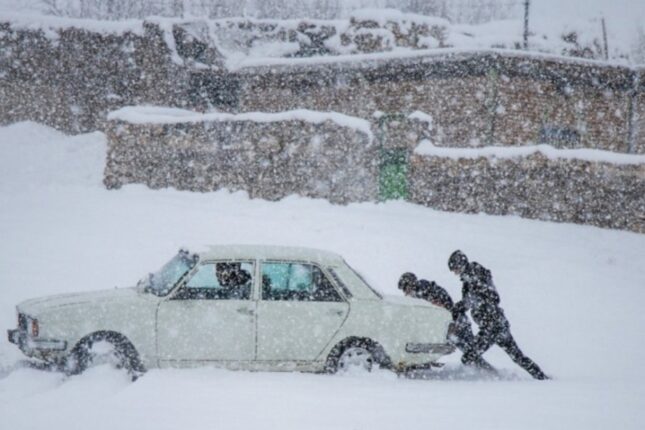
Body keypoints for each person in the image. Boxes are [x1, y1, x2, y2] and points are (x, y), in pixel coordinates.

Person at [448, 250, 549, 380]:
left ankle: (489, 378)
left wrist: (463, 305)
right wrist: (460, 308)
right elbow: (473, 300)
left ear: (460, 264)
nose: (454, 272)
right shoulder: (471, 278)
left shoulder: (474, 275)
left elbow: (492, 297)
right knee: (517, 357)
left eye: (454, 268)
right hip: (498, 324)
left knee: (469, 356)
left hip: (491, 326)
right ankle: (542, 378)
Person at [398, 273, 495, 373]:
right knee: (470, 353)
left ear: (410, 284)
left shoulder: (423, 292)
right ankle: (487, 371)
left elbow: (441, 308)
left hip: (456, 325)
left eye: (405, 289)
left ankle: (489, 373)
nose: (406, 293)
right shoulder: (425, 289)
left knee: (470, 352)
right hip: (456, 323)